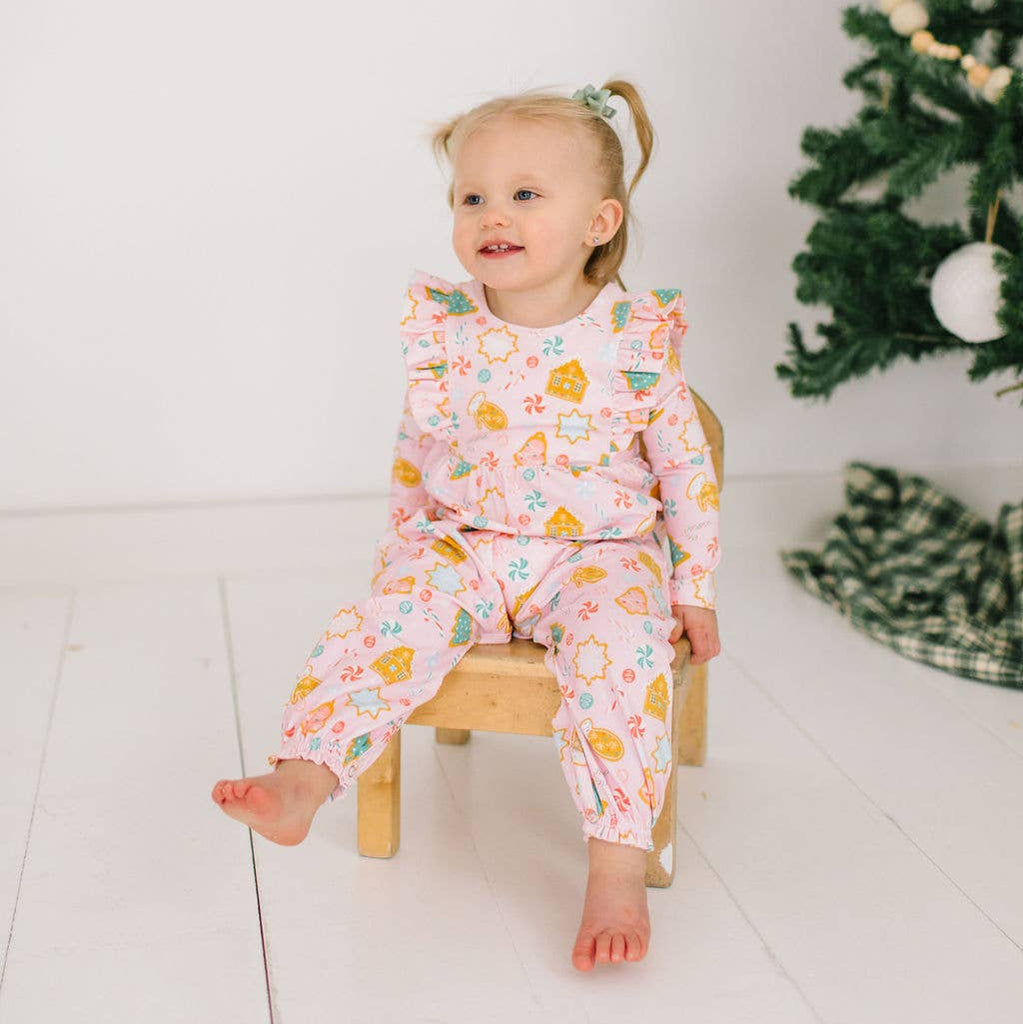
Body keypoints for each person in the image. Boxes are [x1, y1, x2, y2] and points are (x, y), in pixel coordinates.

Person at [212, 79, 721, 972]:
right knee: (383, 623)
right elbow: (417, 448)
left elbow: (685, 469)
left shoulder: (634, 338)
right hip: (467, 545)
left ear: (598, 222)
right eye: (471, 195)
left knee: (621, 656)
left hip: (598, 555)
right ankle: (303, 779)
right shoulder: (449, 331)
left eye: (526, 194)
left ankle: (614, 868)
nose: (494, 213)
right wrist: (403, 554)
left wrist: (693, 589)